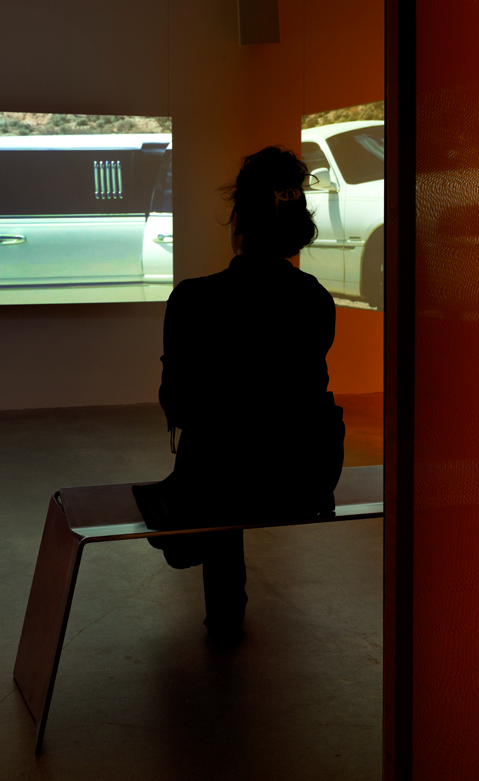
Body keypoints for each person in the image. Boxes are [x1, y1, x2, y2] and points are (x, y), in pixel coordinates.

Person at [133, 146, 345, 644]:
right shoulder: (315, 298)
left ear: (239, 224)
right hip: (305, 476)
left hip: (223, 482)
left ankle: (221, 604)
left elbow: (179, 403)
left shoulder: (193, 298)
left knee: (221, 454)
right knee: (240, 448)